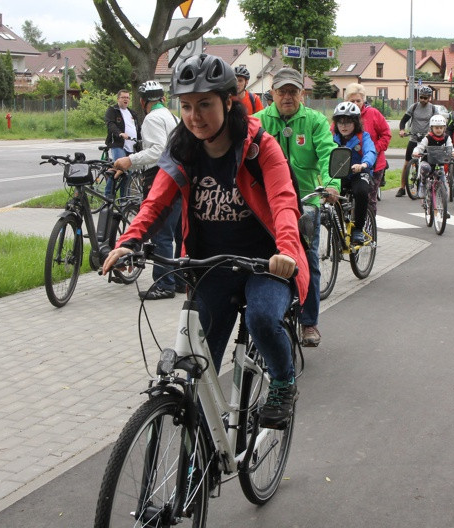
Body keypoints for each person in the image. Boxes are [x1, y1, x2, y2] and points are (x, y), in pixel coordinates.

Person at [102, 54, 308, 428]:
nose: (194, 116)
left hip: (265, 261)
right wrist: (129, 241)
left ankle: (282, 381)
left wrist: (287, 252)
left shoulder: (261, 147)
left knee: (263, 318)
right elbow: (156, 202)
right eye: (186, 106)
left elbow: (283, 202)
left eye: (205, 105)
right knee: (198, 370)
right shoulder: (183, 148)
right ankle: (198, 463)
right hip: (212, 265)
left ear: (229, 102)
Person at [254, 67, 338, 348]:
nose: (287, 96)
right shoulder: (257, 121)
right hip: (265, 201)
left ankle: (309, 322)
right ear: (272, 94)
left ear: (302, 93)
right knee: (255, 258)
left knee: (308, 261)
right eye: (282, 91)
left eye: (293, 91)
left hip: (305, 200)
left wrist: (330, 183)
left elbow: (327, 153)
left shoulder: (315, 121)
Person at [112, 80, 180, 300]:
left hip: (160, 177)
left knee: (161, 233)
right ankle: (179, 280)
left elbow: (158, 151)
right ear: (162, 98)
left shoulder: (152, 118)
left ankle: (164, 284)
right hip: (178, 177)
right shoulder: (172, 117)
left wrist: (129, 160)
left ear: (142, 101)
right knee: (177, 232)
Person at [332, 101, 376, 244]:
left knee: (361, 192)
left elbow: (370, 151)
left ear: (356, 123)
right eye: (340, 122)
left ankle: (358, 229)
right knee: (332, 196)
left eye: (348, 122)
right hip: (340, 174)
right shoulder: (332, 138)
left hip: (358, 173)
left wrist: (364, 164)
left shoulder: (363, 137)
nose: (344, 126)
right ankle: (337, 229)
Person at [344, 83, 391, 215]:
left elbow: (386, 134)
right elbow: (332, 135)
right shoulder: (342, 115)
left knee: (368, 199)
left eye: (358, 101)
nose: (355, 103)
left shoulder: (373, 114)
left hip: (373, 164)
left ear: (363, 100)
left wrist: (374, 149)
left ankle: (367, 228)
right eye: (352, 101)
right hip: (349, 164)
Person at [396, 86, 437, 197]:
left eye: (425, 98)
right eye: (421, 97)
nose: (423, 100)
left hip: (427, 139)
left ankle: (428, 185)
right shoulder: (414, 107)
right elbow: (403, 120)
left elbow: (437, 123)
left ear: (429, 98)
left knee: (429, 163)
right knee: (406, 163)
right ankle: (402, 187)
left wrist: (433, 133)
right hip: (414, 138)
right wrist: (402, 130)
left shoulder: (433, 109)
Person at [412, 114, 453, 218]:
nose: (438, 130)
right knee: (425, 168)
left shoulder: (447, 137)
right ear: (431, 128)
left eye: (441, 128)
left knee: (444, 184)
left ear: (444, 128)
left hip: (439, 163)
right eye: (436, 128)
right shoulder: (428, 137)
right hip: (428, 162)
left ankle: (444, 208)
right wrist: (416, 151)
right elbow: (420, 147)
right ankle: (422, 184)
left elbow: (450, 148)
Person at [105, 89, 140, 198]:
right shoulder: (112, 110)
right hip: (118, 145)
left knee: (127, 175)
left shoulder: (132, 112)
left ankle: (124, 201)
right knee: (119, 170)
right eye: (123, 97)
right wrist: (119, 133)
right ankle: (108, 197)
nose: (126, 99)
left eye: (127, 98)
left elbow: (138, 128)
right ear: (118, 99)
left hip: (131, 147)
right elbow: (110, 124)